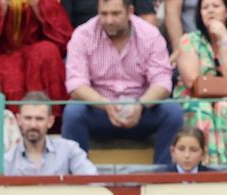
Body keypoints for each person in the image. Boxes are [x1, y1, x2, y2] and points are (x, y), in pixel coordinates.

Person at [62, 0, 181, 165]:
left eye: (115, 14)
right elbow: (76, 84)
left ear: (130, 12)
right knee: (73, 112)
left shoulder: (150, 35)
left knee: (173, 111)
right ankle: (78, 176)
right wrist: (106, 104)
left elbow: (162, 82)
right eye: (103, 14)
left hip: (141, 111)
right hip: (100, 111)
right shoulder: (83, 35)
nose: (109, 20)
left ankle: (163, 175)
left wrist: (140, 105)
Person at [172, 0, 227, 168]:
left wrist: (224, 39)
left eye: (216, 6)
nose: (210, 11)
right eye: (205, 8)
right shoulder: (188, 40)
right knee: (202, 107)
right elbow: (193, 81)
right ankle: (203, 166)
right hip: (194, 99)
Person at [0, 0, 71, 103]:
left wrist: (39, 7)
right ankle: (15, 117)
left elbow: (63, 39)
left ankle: (47, 115)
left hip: (34, 49)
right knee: (12, 76)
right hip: (3, 53)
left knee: (47, 51)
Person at [4, 90, 96, 174]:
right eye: (28, 118)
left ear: (50, 121)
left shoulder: (69, 150)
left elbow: (93, 180)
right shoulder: (8, 160)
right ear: (19, 120)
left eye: (39, 119)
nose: (33, 125)